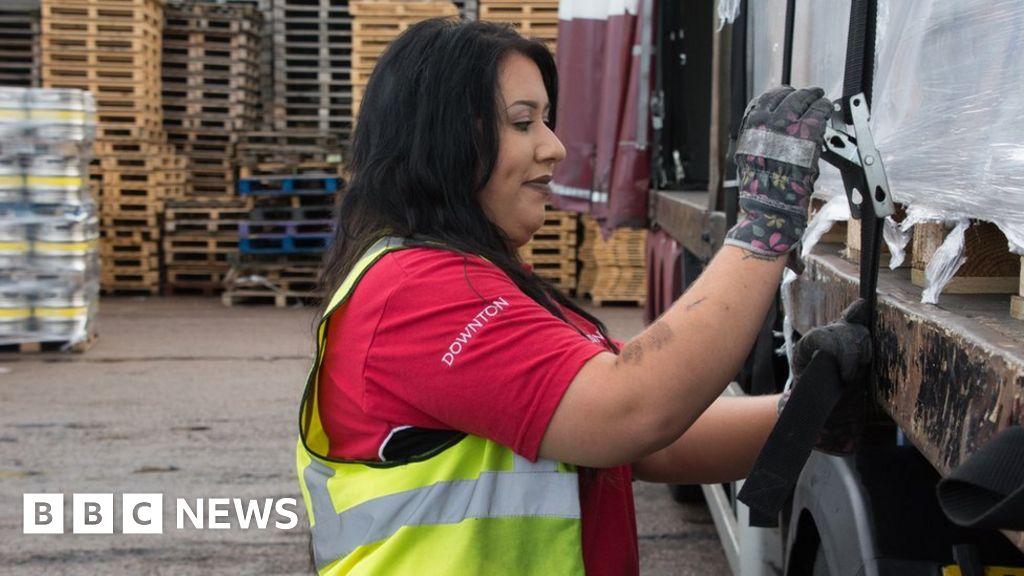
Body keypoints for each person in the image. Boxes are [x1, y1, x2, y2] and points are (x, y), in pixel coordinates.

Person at [296, 17, 840, 576]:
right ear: (440, 138)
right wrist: (764, 230)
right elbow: (630, 411)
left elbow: (643, 442)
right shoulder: (415, 293)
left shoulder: (479, 279)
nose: (553, 147)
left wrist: (806, 416)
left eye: (546, 122)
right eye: (522, 122)